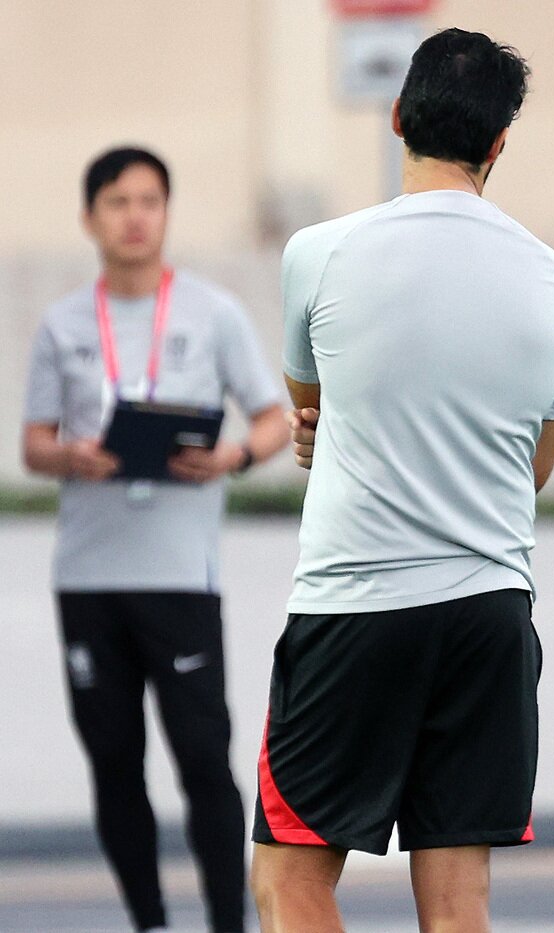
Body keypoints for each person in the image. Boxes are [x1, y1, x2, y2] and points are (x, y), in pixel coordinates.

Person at [248, 28, 554, 933]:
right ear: (500, 142)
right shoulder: (553, 278)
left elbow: (309, 402)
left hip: (357, 600)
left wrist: (337, 429)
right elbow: (536, 464)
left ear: (398, 118)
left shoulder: (319, 251)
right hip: (490, 610)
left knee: (292, 876)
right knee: (458, 896)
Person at [20, 146, 287, 933]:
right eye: (117, 201)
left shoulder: (213, 312)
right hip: (89, 578)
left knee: (205, 759)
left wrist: (233, 455)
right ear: (90, 218)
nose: (135, 216)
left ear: (166, 213)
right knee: (114, 763)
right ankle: (149, 921)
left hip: (180, 576)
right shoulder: (64, 323)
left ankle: (228, 923)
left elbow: (272, 416)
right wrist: (67, 455)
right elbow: (32, 443)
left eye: (149, 200)